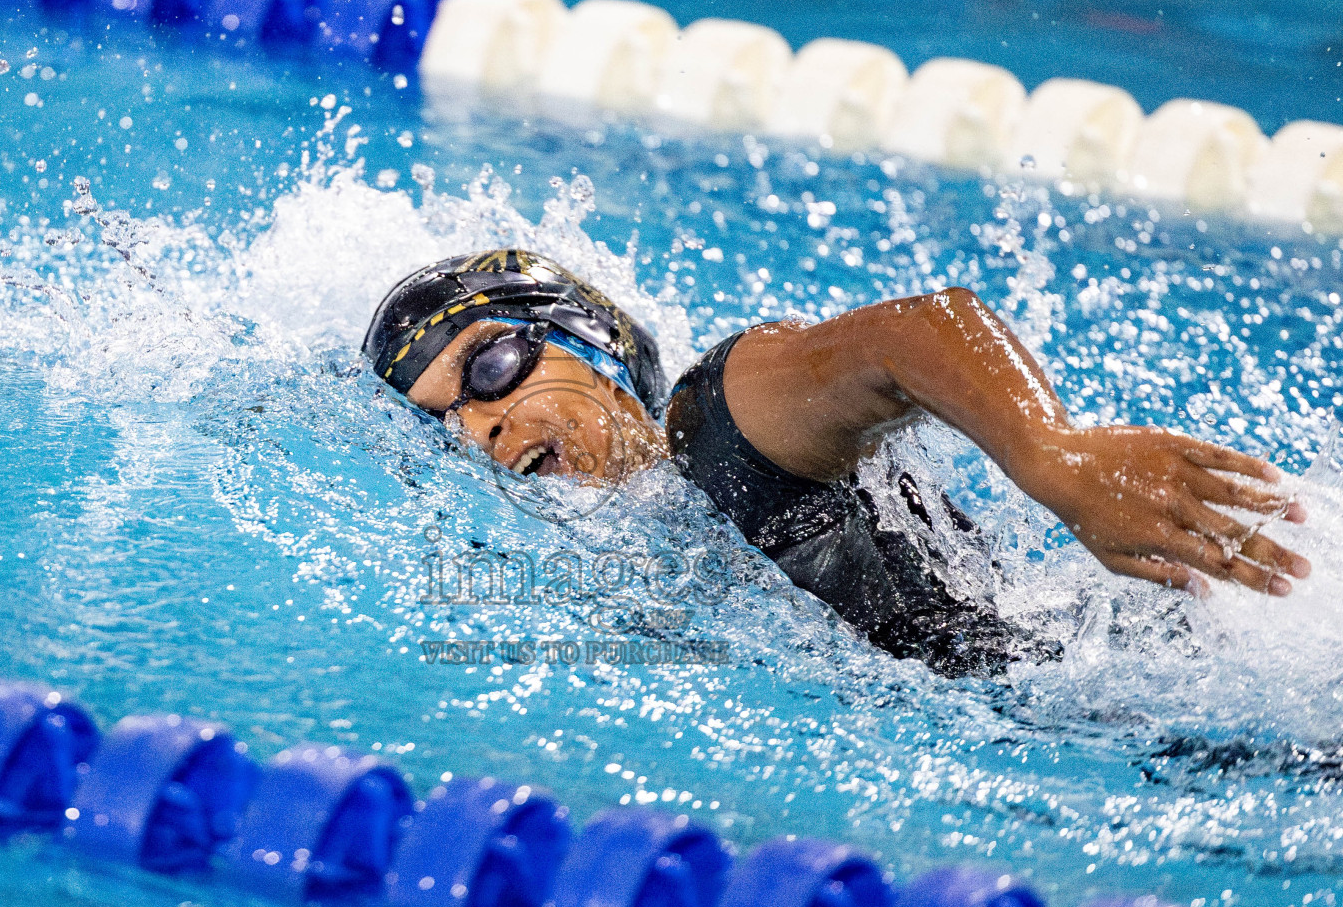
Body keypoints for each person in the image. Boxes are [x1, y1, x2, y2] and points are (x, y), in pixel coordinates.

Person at [363, 249, 1310, 677]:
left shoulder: (721, 423)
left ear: (597, 347)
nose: (482, 423)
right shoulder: (597, 566)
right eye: (449, 422)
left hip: (1124, 676)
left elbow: (916, 334)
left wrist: (1053, 457)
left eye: (491, 365)